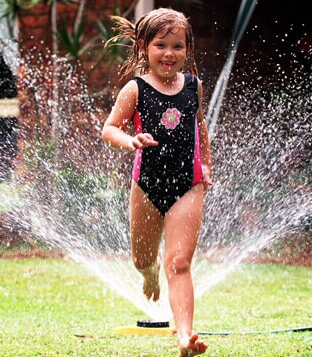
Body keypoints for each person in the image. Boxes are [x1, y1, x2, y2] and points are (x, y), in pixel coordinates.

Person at [102, 8, 212, 357]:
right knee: (142, 259)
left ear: (187, 49)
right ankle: (149, 276)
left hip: (188, 185)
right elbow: (109, 129)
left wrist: (206, 163)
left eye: (177, 46)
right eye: (161, 45)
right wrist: (130, 142)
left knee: (178, 263)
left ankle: (185, 337)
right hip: (146, 186)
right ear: (144, 47)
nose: (169, 53)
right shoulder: (135, 89)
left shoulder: (194, 86)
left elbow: (201, 126)